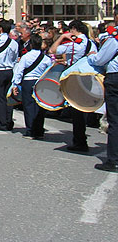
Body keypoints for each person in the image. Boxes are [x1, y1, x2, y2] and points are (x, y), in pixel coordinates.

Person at [49, 19, 97, 152]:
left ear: (74, 29)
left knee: (76, 109)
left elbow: (52, 50)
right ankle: (81, 138)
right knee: (83, 107)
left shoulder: (73, 44)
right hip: (87, 76)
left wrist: (62, 37)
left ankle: (80, 141)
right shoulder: (91, 43)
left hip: (74, 77)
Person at [88, 27, 118, 172]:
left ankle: (113, 160)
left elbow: (100, 60)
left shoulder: (114, 39)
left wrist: (91, 56)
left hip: (115, 77)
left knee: (115, 120)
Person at [11, 34, 51, 139]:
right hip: (40, 82)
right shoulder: (46, 58)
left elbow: (19, 71)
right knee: (40, 106)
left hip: (28, 81)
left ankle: (30, 130)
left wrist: (15, 84)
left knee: (28, 106)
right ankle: (39, 130)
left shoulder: (26, 57)